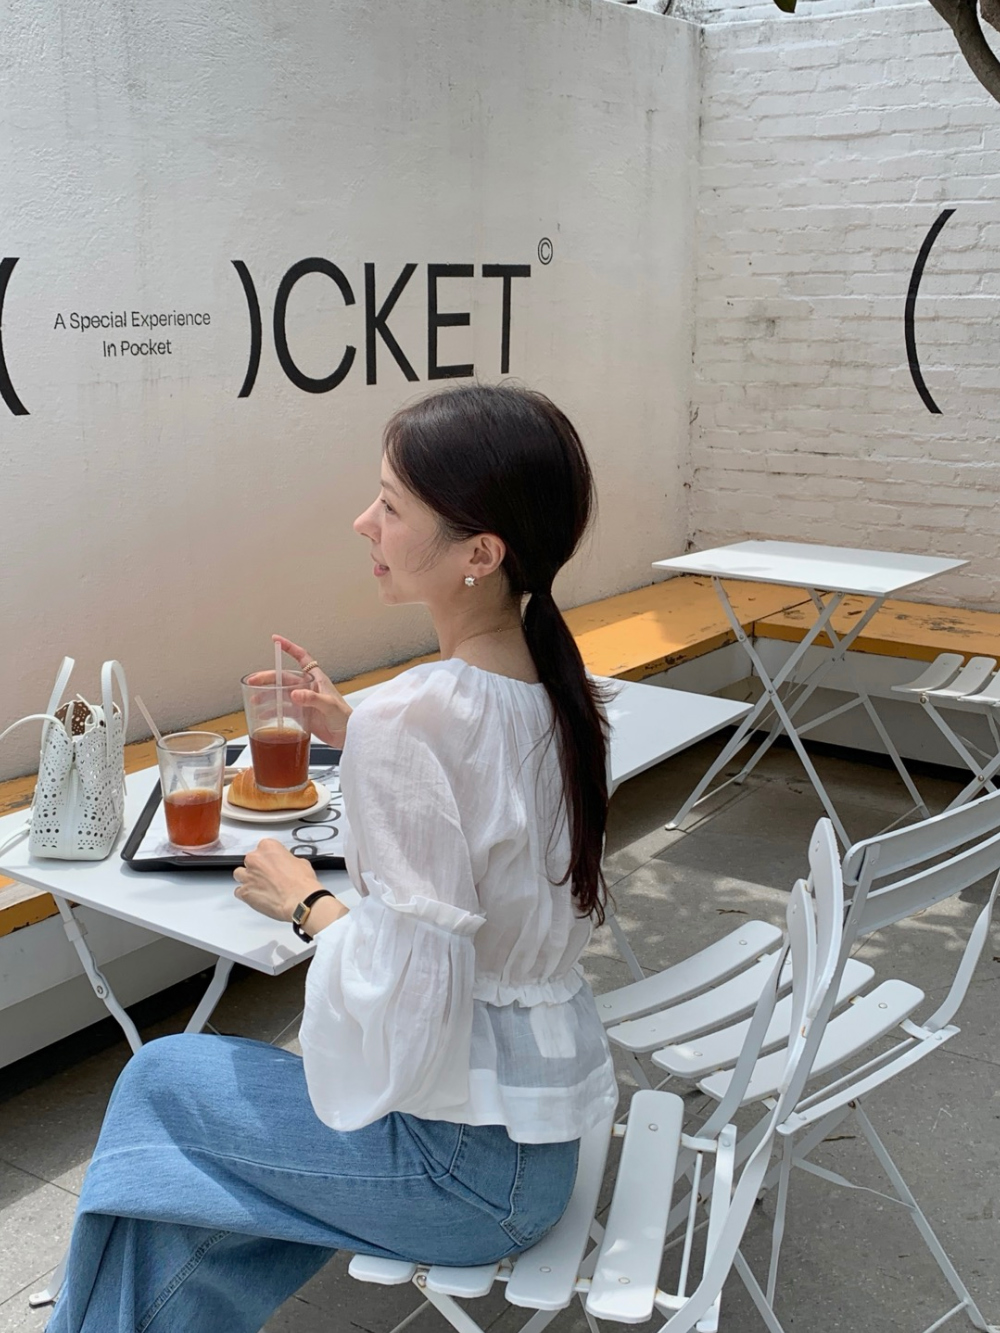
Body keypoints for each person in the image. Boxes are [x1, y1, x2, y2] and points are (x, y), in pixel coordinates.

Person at [47, 383, 619, 1333]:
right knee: (183, 1186)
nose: (364, 522)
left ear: (479, 554)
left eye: (391, 506)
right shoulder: (561, 695)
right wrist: (360, 734)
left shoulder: (415, 718)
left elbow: (414, 1010)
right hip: (535, 1139)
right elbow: (492, 817)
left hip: (461, 1175)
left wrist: (307, 903)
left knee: (159, 1081)